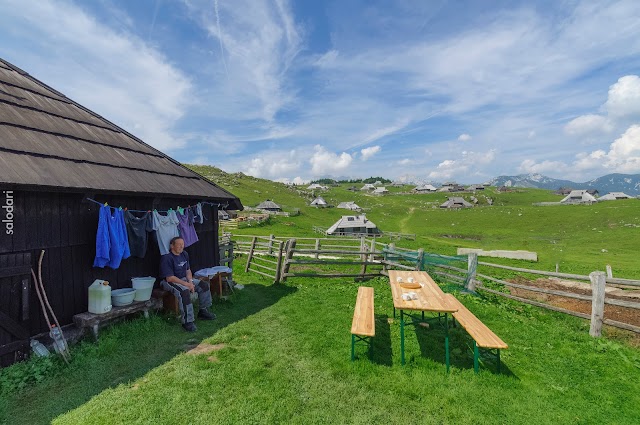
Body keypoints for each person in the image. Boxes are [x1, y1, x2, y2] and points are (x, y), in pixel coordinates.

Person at [159, 236, 216, 332]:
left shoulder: (184, 254)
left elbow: (188, 270)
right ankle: (187, 321)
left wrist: (190, 282)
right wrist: (186, 285)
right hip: (170, 281)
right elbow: (169, 278)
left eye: (182, 244)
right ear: (172, 246)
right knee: (184, 292)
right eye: (179, 245)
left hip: (185, 280)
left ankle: (203, 311)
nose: (181, 246)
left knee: (203, 285)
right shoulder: (167, 258)